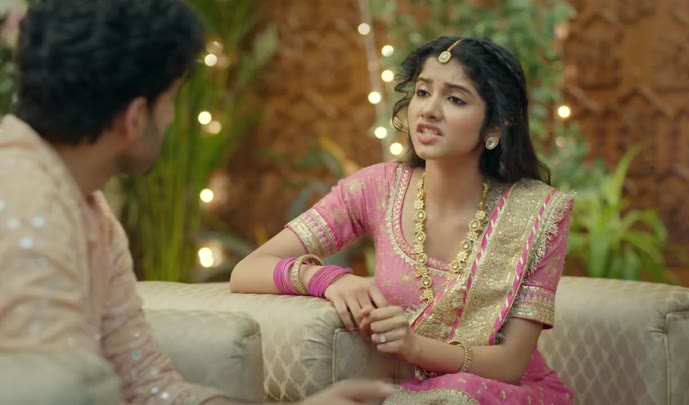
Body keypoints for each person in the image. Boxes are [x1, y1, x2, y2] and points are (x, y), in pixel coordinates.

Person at [0, 0, 396, 404]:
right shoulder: (24, 204)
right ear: (135, 117)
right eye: (170, 101)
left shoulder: (92, 213)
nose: (171, 118)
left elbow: (149, 385)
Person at [231, 36, 575, 404]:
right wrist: (327, 279)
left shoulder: (540, 214)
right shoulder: (377, 189)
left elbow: (511, 364)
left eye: (455, 99)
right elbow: (247, 270)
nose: (429, 110)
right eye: (423, 92)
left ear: (496, 126)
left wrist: (415, 347)